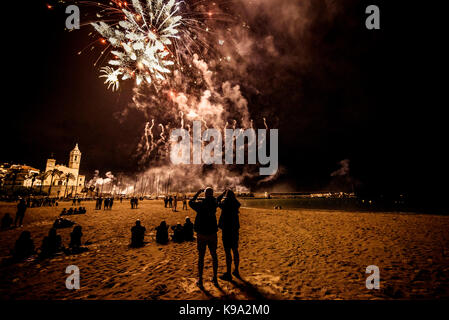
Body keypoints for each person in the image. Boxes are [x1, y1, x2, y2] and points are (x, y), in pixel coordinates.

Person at [189, 187, 219, 286]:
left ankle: (200, 279)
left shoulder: (200, 204)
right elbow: (216, 199)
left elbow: (191, 202)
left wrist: (198, 193)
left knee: (201, 257)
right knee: (214, 255)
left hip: (201, 234)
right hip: (212, 233)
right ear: (212, 194)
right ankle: (215, 278)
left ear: (205, 194)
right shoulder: (214, 203)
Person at [217, 189, 241, 280]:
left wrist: (222, 194)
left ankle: (228, 273)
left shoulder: (225, 203)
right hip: (235, 230)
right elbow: (237, 202)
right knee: (235, 250)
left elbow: (217, 200)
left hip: (227, 230)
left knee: (227, 252)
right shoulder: (236, 204)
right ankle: (236, 270)